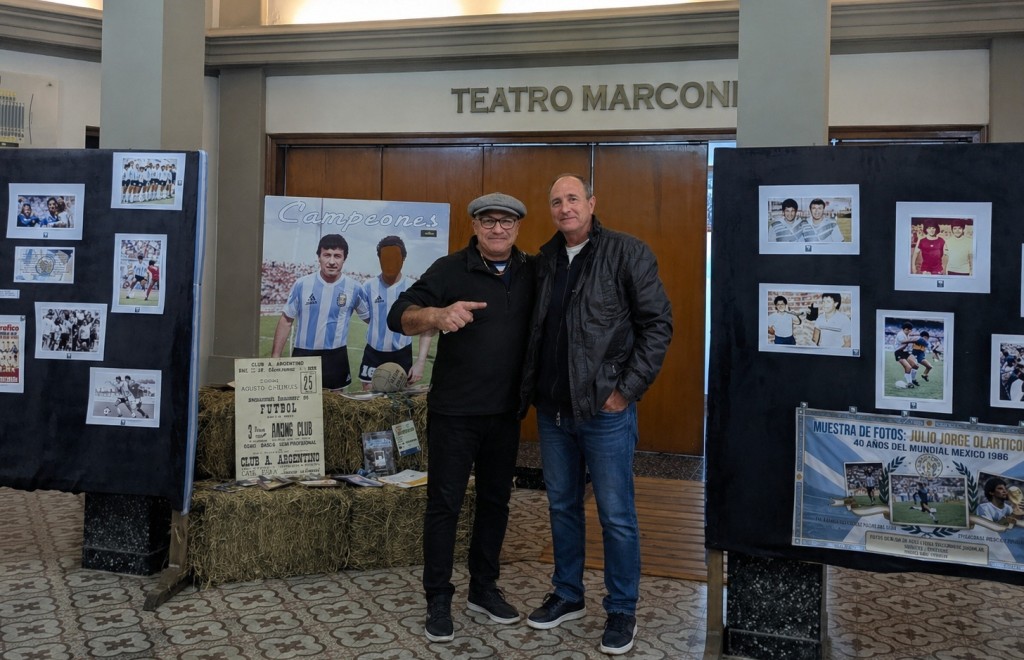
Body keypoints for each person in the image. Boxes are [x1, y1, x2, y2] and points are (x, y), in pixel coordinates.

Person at [520, 174, 672, 656]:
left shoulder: (626, 252)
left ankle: (621, 608)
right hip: (554, 412)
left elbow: (657, 325)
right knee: (562, 507)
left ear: (591, 202)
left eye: (572, 198)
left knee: (616, 516)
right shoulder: (543, 261)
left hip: (605, 411)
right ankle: (568, 595)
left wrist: (624, 392)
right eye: (555, 202)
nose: (564, 208)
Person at [386, 192, 535, 644]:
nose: (497, 229)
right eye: (488, 221)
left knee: (495, 504)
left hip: (505, 414)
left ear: (517, 228)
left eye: (506, 222)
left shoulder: (531, 271)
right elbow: (399, 315)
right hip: (454, 413)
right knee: (444, 506)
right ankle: (438, 599)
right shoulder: (451, 269)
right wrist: (437, 314)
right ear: (474, 226)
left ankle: (483, 588)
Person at [271, 234, 369, 390]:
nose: (331, 261)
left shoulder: (354, 287)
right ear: (319, 257)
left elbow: (370, 319)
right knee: (301, 404)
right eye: (327, 255)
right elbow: (286, 320)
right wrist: (276, 356)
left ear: (344, 258)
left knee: (336, 406)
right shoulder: (302, 284)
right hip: (304, 353)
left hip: (336, 356)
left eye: (337, 256)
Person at [358, 235, 433, 391]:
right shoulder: (368, 286)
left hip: (401, 353)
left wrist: (420, 362)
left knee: (399, 402)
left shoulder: (413, 287)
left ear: (403, 258)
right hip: (373, 352)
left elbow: (426, 326)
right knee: (371, 400)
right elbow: (369, 318)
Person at [893, 321, 921, 389]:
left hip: (906, 352)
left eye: (910, 330)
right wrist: (913, 340)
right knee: (908, 367)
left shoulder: (907, 334)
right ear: (905, 329)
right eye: (908, 330)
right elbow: (903, 342)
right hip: (899, 352)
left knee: (916, 366)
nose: (909, 331)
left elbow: (908, 343)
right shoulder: (900, 334)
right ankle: (909, 383)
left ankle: (913, 379)